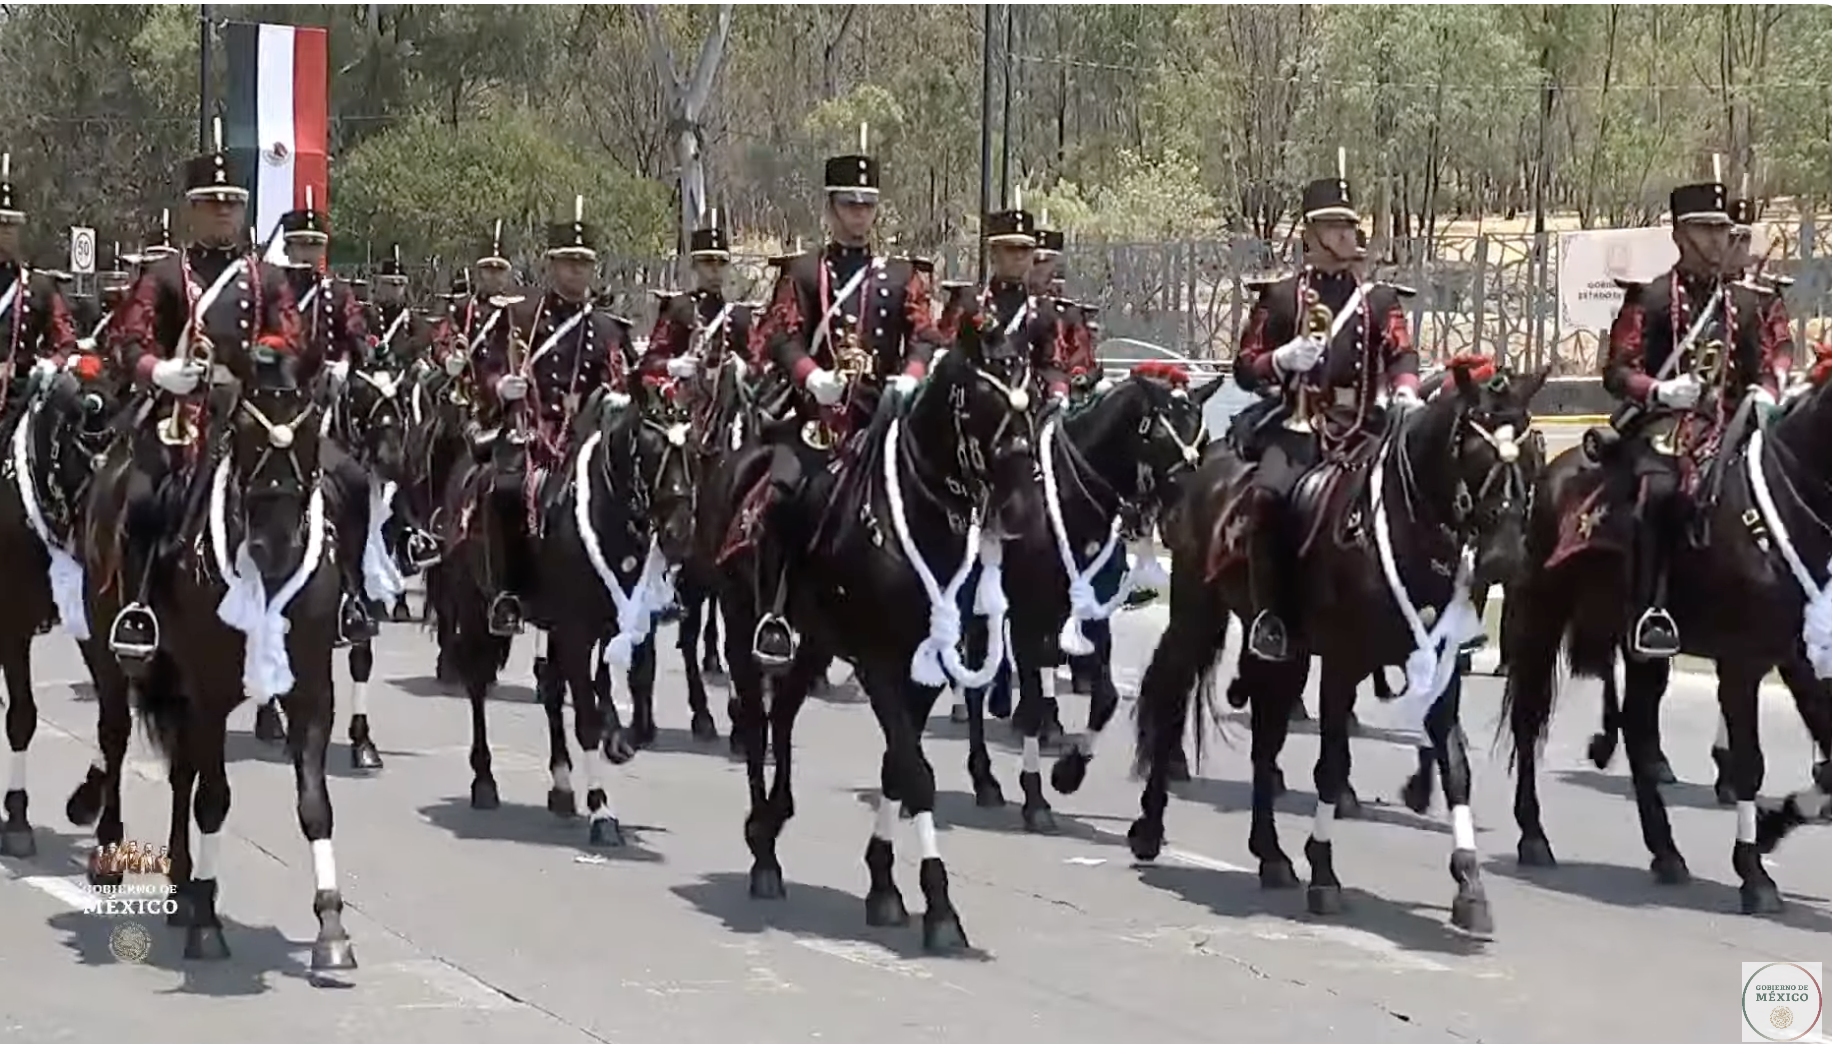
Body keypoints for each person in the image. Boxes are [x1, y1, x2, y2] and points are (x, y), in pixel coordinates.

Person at [103, 134, 316, 661]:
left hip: (252, 414)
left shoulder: (267, 277)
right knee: (140, 497)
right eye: (212, 204)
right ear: (191, 210)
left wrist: (249, 360)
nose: (223, 214)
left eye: (232, 204)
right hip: (179, 414)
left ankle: (339, 600)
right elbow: (126, 342)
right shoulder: (165, 274)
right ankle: (140, 607)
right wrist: (161, 370)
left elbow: (289, 337)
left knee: (330, 484)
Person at [746, 146, 942, 666]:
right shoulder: (806, 271)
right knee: (780, 497)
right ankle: (778, 614)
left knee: (945, 491)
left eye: (866, 205)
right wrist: (813, 378)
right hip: (820, 418)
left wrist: (911, 377)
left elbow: (924, 335)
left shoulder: (902, 275)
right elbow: (780, 336)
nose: (859, 215)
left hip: (884, 415)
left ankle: (944, 611)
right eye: (848, 205)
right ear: (830, 209)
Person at [1232, 172, 1420, 662]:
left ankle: (1434, 604)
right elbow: (1243, 367)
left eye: (1349, 225)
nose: (1346, 235)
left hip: (1363, 430)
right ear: (1310, 235)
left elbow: (1402, 352)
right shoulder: (1280, 297)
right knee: (1267, 499)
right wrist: (1279, 360)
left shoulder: (1378, 300)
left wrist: (1404, 390)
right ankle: (1271, 616)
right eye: (1334, 226)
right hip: (1300, 428)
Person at [1599, 180, 1790, 658]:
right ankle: (1651, 609)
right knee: (1659, 492)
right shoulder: (1651, 297)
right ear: (1680, 236)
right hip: (1664, 427)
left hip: (1731, 428)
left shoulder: (1745, 305)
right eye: (1705, 230)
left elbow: (1763, 366)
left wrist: (1767, 393)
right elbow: (1617, 371)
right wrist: (1660, 389)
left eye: (1723, 230)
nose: (1717, 241)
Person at [471, 199, 633, 635]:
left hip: (585, 438)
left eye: (583, 263)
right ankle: (510, 591)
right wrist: (503, 387)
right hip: (530, 431)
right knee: (503, 490)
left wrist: (613, 401)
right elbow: (486, 367)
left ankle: (636, 588)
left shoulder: (606, 327)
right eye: (567, 262)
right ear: (551, 264)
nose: (576, 272)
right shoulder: (523, 314)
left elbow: (622, 380)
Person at [0, 154, 78, 412]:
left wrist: (51, 364)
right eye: (0, 224)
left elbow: (65, 340)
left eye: (11, 226)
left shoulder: (38, 286)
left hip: (18, 397)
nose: (4, 233)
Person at [642, 208, 753, 384]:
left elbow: (758, 363)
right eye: (708, 262)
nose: (715, 271)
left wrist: (744, 369)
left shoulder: (740, 315)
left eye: (722, 263)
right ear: (694, 266)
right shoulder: (677, 307)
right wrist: (672, 366)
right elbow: (649, 363)